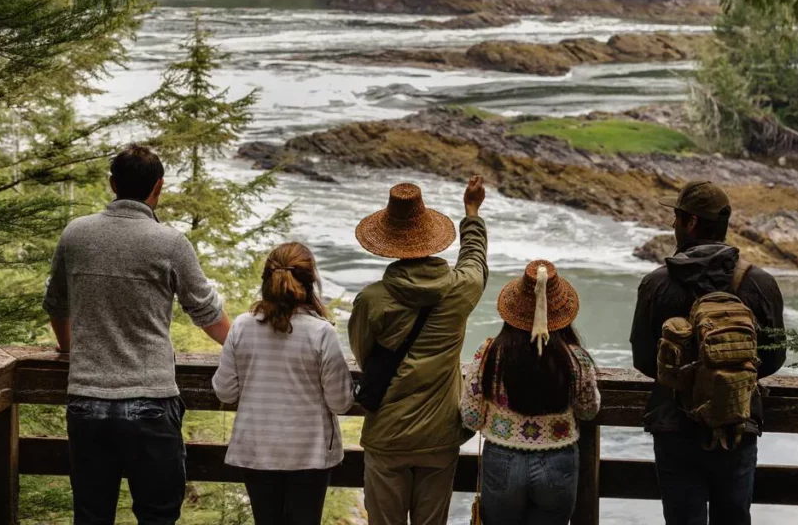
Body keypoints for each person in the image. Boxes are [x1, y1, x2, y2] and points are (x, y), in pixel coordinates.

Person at [43, 144, 231, 524]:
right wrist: (246, 347)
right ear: (158, 187)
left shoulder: (76, 234)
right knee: (157, 516)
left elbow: (57, 305)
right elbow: (207, 314)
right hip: (150, 401)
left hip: (87, 399)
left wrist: (70, 350)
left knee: (91, 516)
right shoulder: (170, 242)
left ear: (112, 184)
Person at [630, 180, 787, 525]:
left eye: (677, 217)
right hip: (737, 422)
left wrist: (686, 378)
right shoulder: (760, 283)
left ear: (691, 223)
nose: (673, 224)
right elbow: (774, 357)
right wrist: (727, 379)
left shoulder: (656, 283)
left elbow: (642, 359)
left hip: (674, 425)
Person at [348, 177, 488, 525]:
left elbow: (364, 354)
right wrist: (471, 212)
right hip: (439, 437)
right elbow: (475, 260)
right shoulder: (461, 289)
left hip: (388, 435)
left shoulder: (372, 299)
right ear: (431, 238)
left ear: (388, 243)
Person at [212, 242, 354, 525]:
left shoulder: (242, 326)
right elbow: (340, 401)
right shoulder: (320, 332)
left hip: (256, 450)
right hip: (309, 453)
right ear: (310, 282)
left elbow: (225, 390)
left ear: (267, 280)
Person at [461, 260, 600, 525]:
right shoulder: (576, 358)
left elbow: (470, 417)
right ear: (562, 314)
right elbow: (589, 410)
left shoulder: (489, 352)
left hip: (502, 459)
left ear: (511, 310)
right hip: (558, 460)